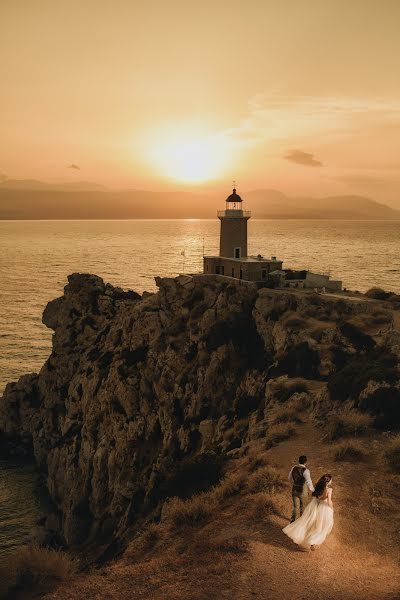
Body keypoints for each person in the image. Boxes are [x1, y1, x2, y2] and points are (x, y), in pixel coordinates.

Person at [282, 474, 334, 551]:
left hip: (314, 506)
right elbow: (329, 501)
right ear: (329, 481)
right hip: (323, 508)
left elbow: (316, 497)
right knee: (320, 526)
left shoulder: (318, 486)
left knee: (308, 522)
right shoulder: (329, 490)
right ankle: (312, 542)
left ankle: (300, 537)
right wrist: (332, 508)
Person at [288, 455, 314, 522]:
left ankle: (293, 522)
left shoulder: (293, 468)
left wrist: (293, 484)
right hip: (303, 492)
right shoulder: (306, 471)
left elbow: (289, 478)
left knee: (295, 507)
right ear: (306, 462)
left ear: (298, 461)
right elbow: (309, 481)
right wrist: (313, 490)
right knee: (303, 507)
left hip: (294, 490)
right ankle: (302, 522)